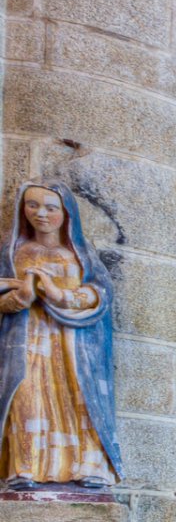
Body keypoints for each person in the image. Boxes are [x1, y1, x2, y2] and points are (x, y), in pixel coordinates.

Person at [0, 183, 121, 488]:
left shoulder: (79, 254)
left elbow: (100, 295)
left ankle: (88, 466)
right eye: (32, 205)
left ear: (66, 214)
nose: (40, 214)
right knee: (26, 398)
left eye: (50, 207)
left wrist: (60, 296)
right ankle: (25, 466)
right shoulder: (13, 251)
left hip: (75, 344)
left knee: (80, 397)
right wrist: (20, 298)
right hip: (27, 341)